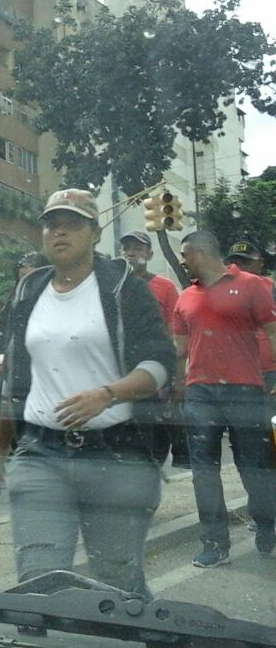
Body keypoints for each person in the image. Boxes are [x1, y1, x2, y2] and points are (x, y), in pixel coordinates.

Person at [0, 189, 175, 598]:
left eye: (72, 224)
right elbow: (14, 374)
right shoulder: (28, 291)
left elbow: (160, 362)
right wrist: (0, 445)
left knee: (117, 582)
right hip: (40, 456)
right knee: (38, 580)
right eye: (50, 224)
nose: (59, 232)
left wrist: (108, 393)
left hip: (115, 455)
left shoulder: (122, 286)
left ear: (95, 233)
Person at [173, 230, 276, 567]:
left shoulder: (252, 285)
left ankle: (267, 524)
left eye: (185, 254)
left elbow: (273, 333)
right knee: (204, 470)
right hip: (199, 391)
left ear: (201, 252)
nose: (182, 260)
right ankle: (215, 544)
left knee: (253, 465)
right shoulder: (184, 297)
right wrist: (176, 385)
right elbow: (178, 349)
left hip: (244, 389)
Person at [0, 251, 49, 504]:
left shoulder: (56, 299)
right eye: (22, 279)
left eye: (31, 278)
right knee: (4, 427)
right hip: (17, 377)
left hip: (47, 379)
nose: (26, 285)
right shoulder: (15, 300)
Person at [119, 230, 187, 468]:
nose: (131, 253)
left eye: (137, 248)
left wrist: (177, 378)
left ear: (149, 253)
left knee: (155, 433)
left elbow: (175, 331)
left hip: (154, 371)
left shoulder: (165, 287)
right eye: (126, 248)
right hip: (118, 371)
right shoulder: (111, 285)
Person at [224, 241, 276, 394]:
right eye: (234, 263)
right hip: (234, 374)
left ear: (260, 264)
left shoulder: (272, 289)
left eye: (246, 262)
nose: (239, 268)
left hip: (270, 372)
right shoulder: (218, 291)